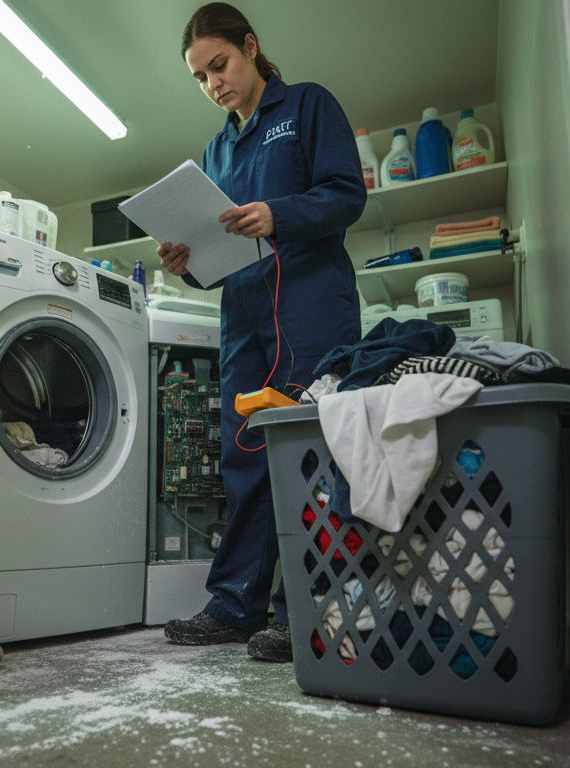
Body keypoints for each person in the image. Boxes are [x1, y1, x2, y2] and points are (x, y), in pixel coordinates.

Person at [159, 2, 366, 662]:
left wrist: (278, 214)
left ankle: (305, 608)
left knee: (309, 451)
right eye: (200, 77)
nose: (212, 83)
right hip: (243, 317)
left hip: (309, 304)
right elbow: (216, 257)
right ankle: (235, 604)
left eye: (219, 65)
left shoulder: (306, 106)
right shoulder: (216, 151)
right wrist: (187, 262)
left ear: (250, 48)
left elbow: (346, 195)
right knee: (244, 455)